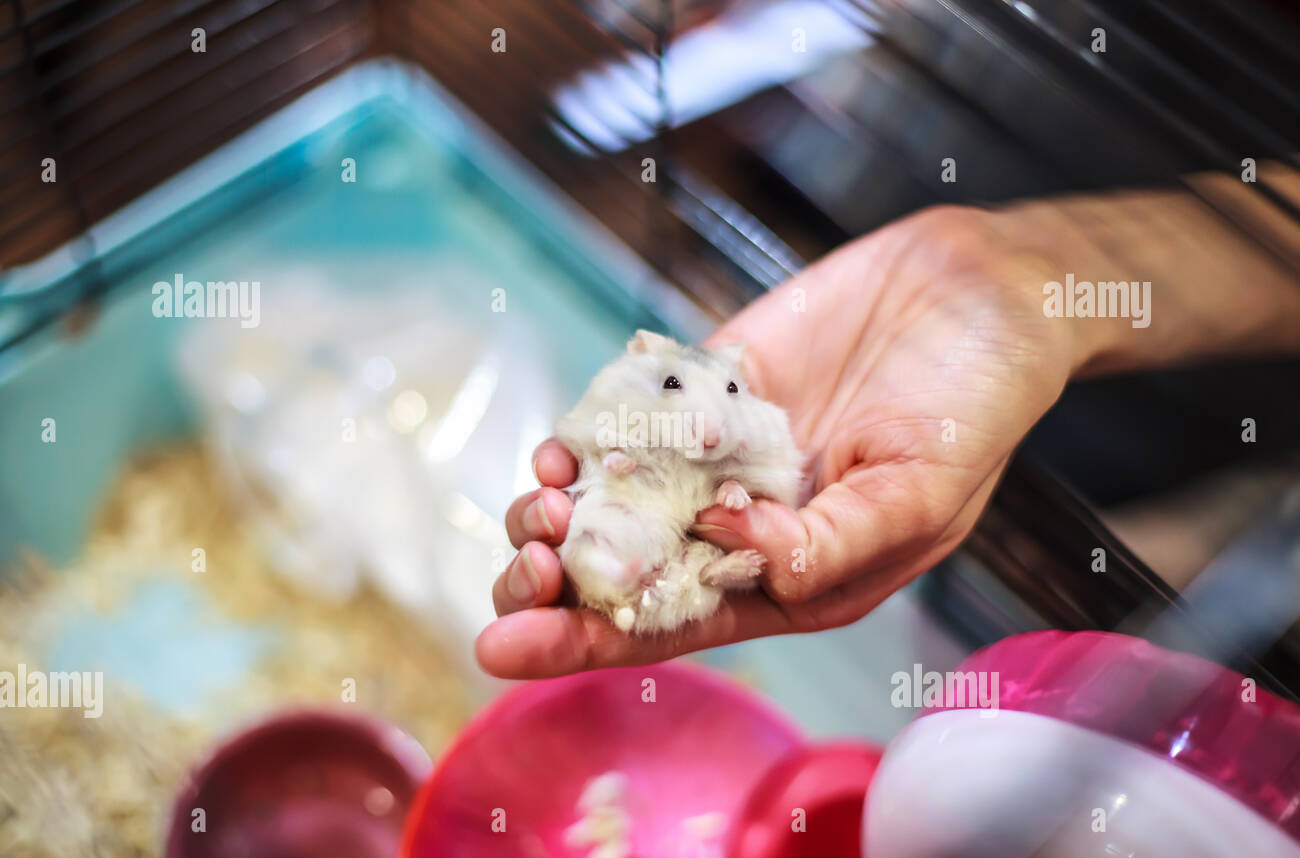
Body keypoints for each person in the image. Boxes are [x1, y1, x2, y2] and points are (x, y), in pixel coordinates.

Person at [478, 162, 1300, 679]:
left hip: (1203, 401)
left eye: (729, 400)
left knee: (1107, 535)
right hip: (1076, 191)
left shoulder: (757, 435)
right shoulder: (633, 397)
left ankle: (1206, 514)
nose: (708, 425)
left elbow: (762, 469)